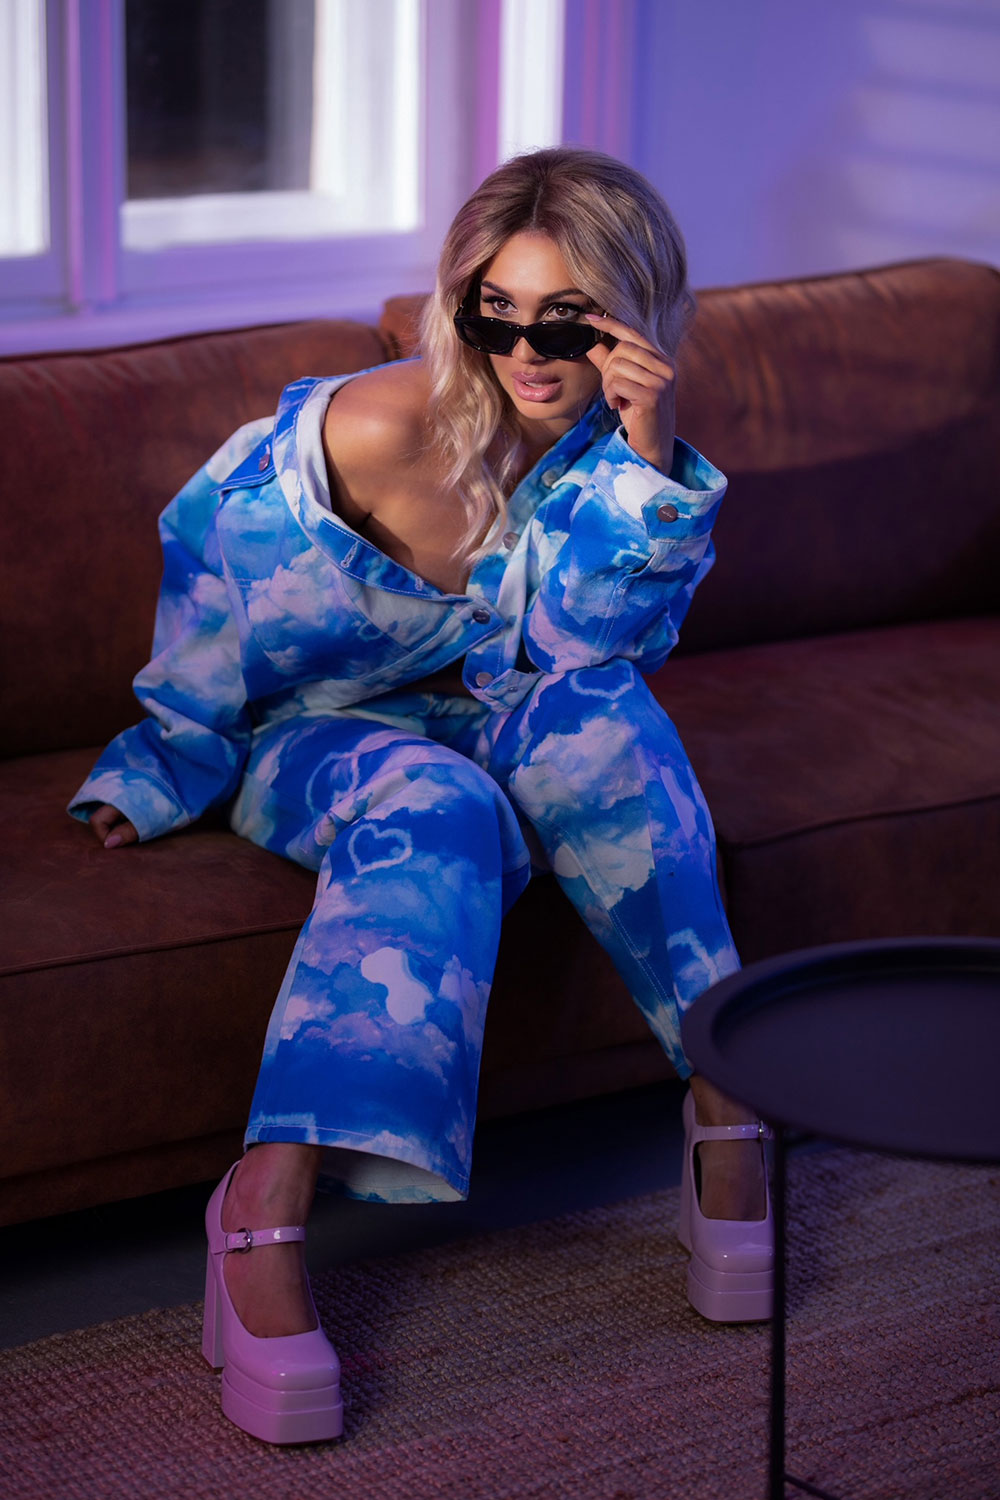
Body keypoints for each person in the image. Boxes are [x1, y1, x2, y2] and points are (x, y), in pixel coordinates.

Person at [69, 147, 773, 1445]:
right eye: (494, 316)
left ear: (635, 321)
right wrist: (167, 756)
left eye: (568, 321)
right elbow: (213, 599)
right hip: (317, 733)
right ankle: (263, 1200)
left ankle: (729, 1100)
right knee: (441, 807)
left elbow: (590, 648)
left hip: (503, 700)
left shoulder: (612, 459)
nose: (527, 354)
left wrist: (645, 451)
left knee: (605, 722)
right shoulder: (370, 431)